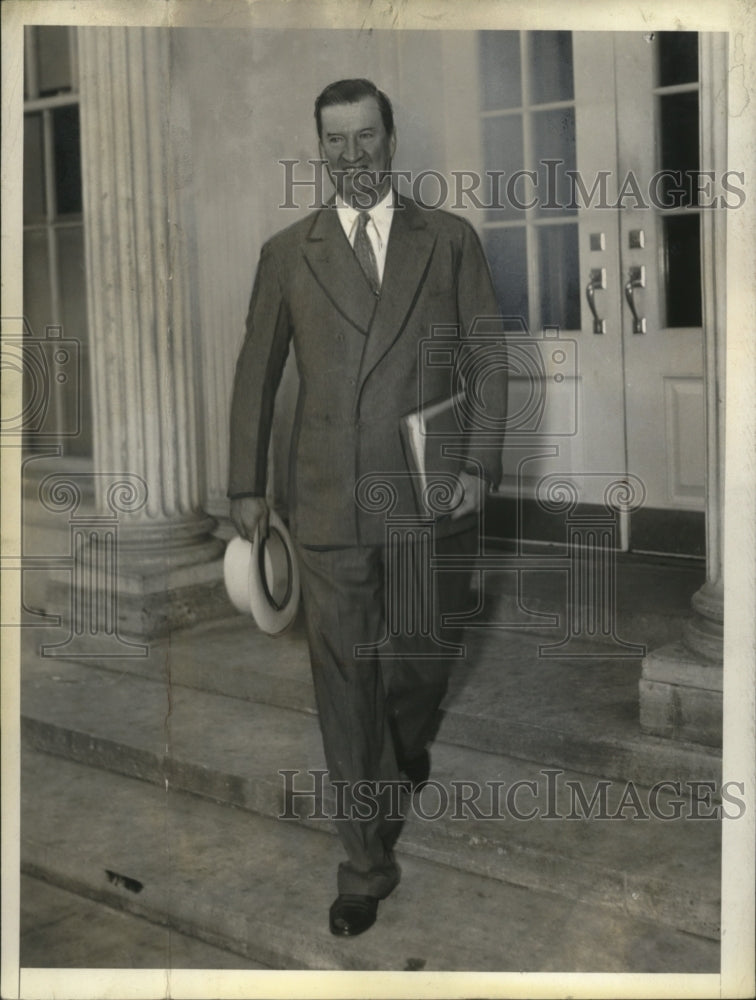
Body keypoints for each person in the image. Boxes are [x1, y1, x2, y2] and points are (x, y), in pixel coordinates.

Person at [228, 78, 507, 936]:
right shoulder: (288, 253)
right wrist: (246, 483)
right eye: (335, 142)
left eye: (366, 138)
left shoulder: (448, 240)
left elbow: (489, 358)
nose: (352, 157)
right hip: (328, 501)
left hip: (426, 494)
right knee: (345, 681)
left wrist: (479, 463)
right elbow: (256, 376)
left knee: (421, 662)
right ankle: (364, 862)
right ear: (321, 149)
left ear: (392, 139)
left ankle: (405, 749)